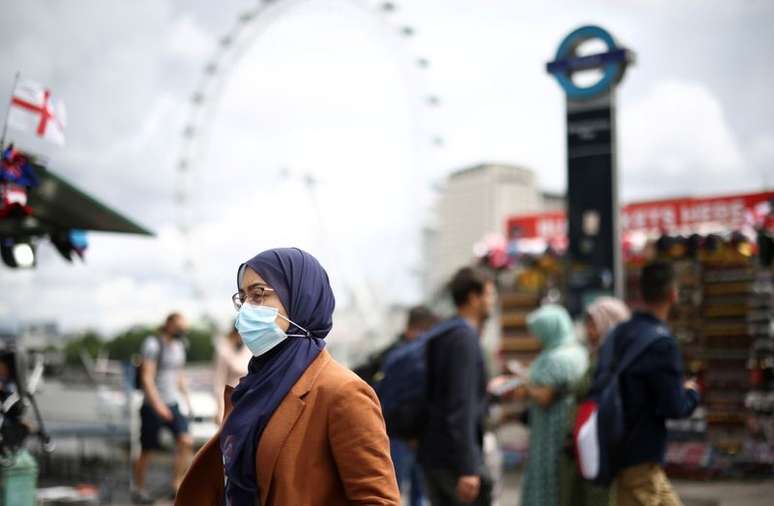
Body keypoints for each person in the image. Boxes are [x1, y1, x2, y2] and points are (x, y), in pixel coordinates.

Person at [175, 247, 400, 506]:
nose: (246, 309)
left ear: (300, 298)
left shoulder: (343, 392)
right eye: (243, 298)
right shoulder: (253, 387)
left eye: (258, 294)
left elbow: (378, 500)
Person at [611, 261, 699, 506]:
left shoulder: (621, 333)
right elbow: (674, 406)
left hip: (623, 451)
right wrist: (691, 393)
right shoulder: (661, 344)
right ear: (673, 294)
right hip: (639, 459)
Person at [419, 266, 495, 506]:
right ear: (473, 298)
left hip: (435, 454)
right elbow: (460, 406)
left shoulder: (444, 333)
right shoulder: (464, 339)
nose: (491, 302)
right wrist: (468, 468)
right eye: (489, 295)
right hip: (453, 462)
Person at [509, 304, 588, 506]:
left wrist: (524, 385)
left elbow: (545, 396)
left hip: (551, 431)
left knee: (548, 479)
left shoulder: (555, 358)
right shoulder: (577, 351)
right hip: (570, 425)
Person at [560, 297, 630, 506]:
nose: (589, 331)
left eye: (595, 324)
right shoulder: (596, 356)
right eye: (587, 324)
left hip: (602, 446)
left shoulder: (616, 361)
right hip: (584, 446)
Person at [132, 312, 193, 505]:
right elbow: (147, 378)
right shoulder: (153, 344)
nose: (182, 331)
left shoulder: (180, 346)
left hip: (173, 402)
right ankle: (139, 488)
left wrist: (187, 400)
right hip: (153, 404)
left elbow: (179, 375)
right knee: (147, 450)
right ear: (169, 325)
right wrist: (158, 405)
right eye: (180, 327)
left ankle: (177, 484)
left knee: (186, 440)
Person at [379, 306, 438, 506]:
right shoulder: (423, 355)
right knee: (419, 494)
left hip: (393, 432)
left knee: (390, 491)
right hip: (417, 436)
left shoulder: (393, 354)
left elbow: (383, 392)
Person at [212, 324, 252, 424]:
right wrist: (220, 409)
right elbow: (219, 382)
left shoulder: (249, 350)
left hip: (247, 401)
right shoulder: (223, 352)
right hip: (230, 402)